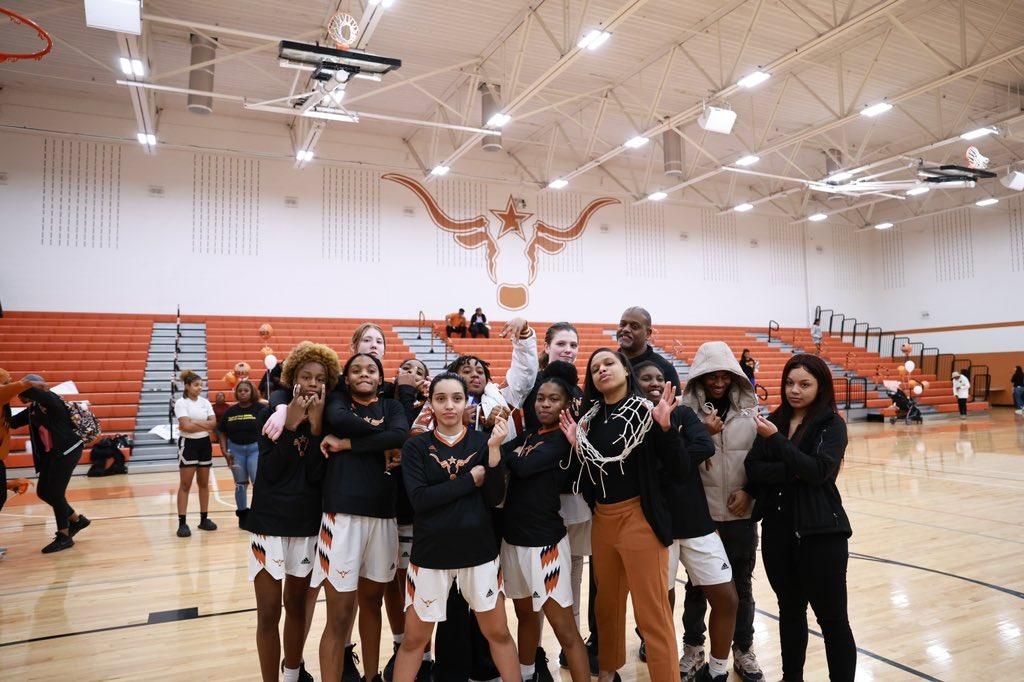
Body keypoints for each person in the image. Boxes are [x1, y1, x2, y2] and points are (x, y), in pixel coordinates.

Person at [559, 348, 683, 682]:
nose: (602, 370)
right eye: (595, 367)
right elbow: (589, 478)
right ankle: (608, 673)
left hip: (638, 517)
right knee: (606, 608)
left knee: (651, 612)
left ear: (626, 371)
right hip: (603, 519)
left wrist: (667, 429)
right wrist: (575, 446)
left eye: (609, 363)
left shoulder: (647, 412)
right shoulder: (589, 420)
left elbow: (680, 468)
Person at [392, 372, 519, 682]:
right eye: (441, 398)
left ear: (466, 403)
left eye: (457, 398)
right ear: (431, 404)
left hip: (479, 553)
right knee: (413, 642)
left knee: (499, 634)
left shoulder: (482, 442)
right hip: (431, 556)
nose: (449, 405)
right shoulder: (416, 447)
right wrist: (469, 481)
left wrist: (493, 453)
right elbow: (420, 500)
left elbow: (494, 498)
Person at [745, 353, 856, 682]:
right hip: (778, 533)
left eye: (804, 384)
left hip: (821, 535)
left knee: (833, 621)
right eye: (790, 383)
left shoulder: (831, 425)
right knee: (790, 613)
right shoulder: (775, 419)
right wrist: (793, 469)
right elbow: (753, 469)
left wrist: (777, 444)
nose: (795, 390)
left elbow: (819, 471)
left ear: (820, 386)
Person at [633, 360, 738, 682]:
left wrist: (668, 450)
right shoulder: (628, 424)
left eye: (659, 378)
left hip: (696, 522)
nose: (653, 382)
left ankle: (718, 670)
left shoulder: (683, 415)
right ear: (633, 383)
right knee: (660, 605)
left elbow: (705, 445)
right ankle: (666, 665)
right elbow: (646, 472)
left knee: (727, 599)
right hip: (655, 527)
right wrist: (676, 452)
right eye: (645, 378)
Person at [245, 341, 339, 682]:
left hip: (307, 525)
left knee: (296, 606)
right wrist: (289, 426)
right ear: (292, 379)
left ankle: (292, 674)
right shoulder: (269, 415)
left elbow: (317, 475)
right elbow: (269, 474)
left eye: (320, 378)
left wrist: (314, 430)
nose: (313, 383)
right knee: (268, 612)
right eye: (306, 376)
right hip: (268, 524)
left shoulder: (329, 421)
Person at [315, 353, 410, 682]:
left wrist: (348, 445)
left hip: (383, 516)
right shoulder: (338, 402)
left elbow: (400, 435)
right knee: (339, 615)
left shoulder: (393, 407)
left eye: (371, 370)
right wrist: (377, 437)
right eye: (356, 370)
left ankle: (371, 677)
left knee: (372, 604)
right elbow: (347, 423)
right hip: (342, 515)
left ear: (381, 379)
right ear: (346, 377)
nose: (364, 374)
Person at [678, 342, 764, 682]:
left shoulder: (751, 413)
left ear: (734, 377)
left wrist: (751, 493)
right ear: (699, 377)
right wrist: (702, 434)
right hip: (701, 520)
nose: (717, 382)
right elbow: (676, 465)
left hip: (741, 517)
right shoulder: (685, 415)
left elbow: (762, 462)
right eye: (710, 375)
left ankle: (743, 648)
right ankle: (694, 648)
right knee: (697, 588)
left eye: (724, 375)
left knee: (742, 587)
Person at [501, 362, 591, 682]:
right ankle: (526, 676)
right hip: (512, 541)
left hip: (544, 545)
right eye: (541, 398)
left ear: (567, 405)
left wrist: (508, 456)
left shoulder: (566, 439)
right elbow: (503, 456)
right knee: (525, 617)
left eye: (554, 399)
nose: (545, 404)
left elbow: (520, 467)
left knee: (564, 628)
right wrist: (507, 454)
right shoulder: (531, 434)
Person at [523, 323, 597, 674]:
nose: (568, 349)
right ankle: (535, 652)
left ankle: (573, 643)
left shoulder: (582, 393)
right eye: (562, 343)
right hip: (538, 501)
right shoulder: (533, 386)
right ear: (548, 347)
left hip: (576, 499)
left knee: (572, 578)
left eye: (574, 344)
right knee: (538, 585)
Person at [383, 358, 434, 682]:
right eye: (407, 369)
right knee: (394, 584)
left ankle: (425, 655)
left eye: (419, 371)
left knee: (421, 587)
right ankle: (400, 644)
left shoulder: (433, 405)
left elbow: (409, 443)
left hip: (421, 511)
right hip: (390, 506)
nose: (412, 374)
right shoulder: (389, 403)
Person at [9, 374, 92, 553]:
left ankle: (64, 536)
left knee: (55, 493)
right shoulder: (34, 408)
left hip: (68, 450)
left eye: (21, 392)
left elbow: (30, 389)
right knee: (44, 492)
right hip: (53, 454)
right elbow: (13, 422)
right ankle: (77, 521)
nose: (18, 396)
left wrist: (12, 384)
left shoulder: (50, 399)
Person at [174, 370, 219, 538]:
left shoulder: (205, 402)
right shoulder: (181, 403)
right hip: (189, 444)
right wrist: (204, 424)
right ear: (187, 386)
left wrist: (195, 422)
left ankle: (204, 519)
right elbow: (185, 426)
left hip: (204, 444)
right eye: (196, 385)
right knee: (185, 485)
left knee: (203, 484)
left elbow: (213, 423)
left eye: (201, 385)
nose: (200, 388)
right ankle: (182, 523)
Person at [218, 380, 263, 527]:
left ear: (252, 392)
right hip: (236, 451)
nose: (243, 393)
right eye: (240, 391)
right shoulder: (230, 412)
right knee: (240, 484)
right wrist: (224, 450)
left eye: (246, 390)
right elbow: (222, 432)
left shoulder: (260, 409)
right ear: (236, 393)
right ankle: (242, 515)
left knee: (257, 482)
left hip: (255, 450)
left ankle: (259, 514)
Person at [615, 306, 681, 390]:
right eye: (622, 324)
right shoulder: (607, 364)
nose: (625, 329)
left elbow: (674, 401)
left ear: (648, 334)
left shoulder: (665, 368)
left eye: (634, 326)